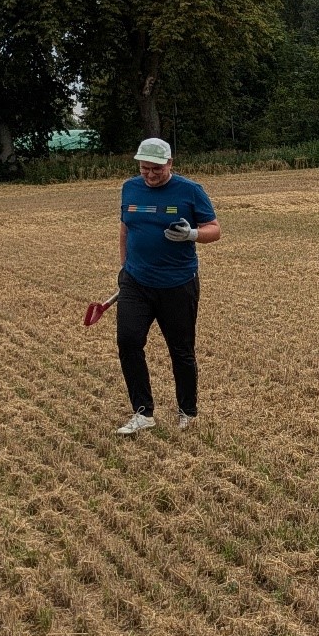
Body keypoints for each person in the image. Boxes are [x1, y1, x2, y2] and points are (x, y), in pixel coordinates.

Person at [115, 137, 220, 434]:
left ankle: (187, 411)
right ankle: (143, 412)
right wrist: (124, 268)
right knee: (128, 341)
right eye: (145, 168)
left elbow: (216, 230)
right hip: (136, 282)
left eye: (156, 169)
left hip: (178, 283)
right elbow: (125, 227)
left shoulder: (190, 191)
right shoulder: (129, 188)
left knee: (181, 350)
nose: (149, 174)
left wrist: (192, 235)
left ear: (170, 164)